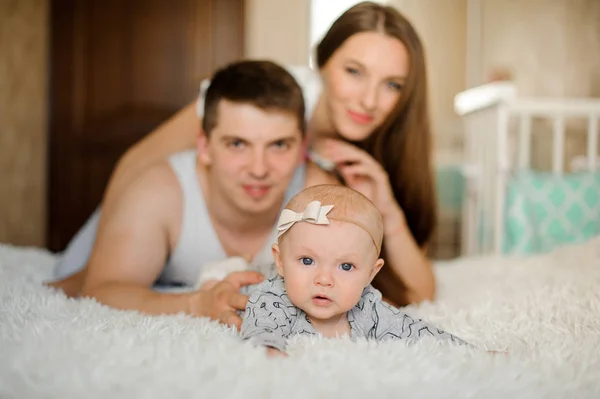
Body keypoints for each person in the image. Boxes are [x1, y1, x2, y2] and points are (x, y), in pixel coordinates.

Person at [53, 1, 437, 307]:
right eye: (354, 71)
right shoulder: (259, 100)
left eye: (392, 84)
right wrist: (97, 268)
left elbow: (409, 285)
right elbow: (138, 163)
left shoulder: (377, 152)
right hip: (143, 219)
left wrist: (384, 205)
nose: (368, 100)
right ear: (321, 63)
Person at [47, 60, 307, 330]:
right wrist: (195, 304)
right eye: (237, 144)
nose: (259, 169)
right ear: (204, 147)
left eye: (279, 145)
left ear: (303, 147)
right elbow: (103, 290)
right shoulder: (159, 191)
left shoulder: (318, 196)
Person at [240, 185, 470, 356]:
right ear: (281, 261)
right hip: (255, 276)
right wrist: (272, 357)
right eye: (307, 261)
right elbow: (262, 337)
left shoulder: (368, 305)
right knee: (237, 272)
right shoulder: (272, 299)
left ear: (371, 273)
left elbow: (416, 332)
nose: (324, 279)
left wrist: (471, 353)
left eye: (346, 266)